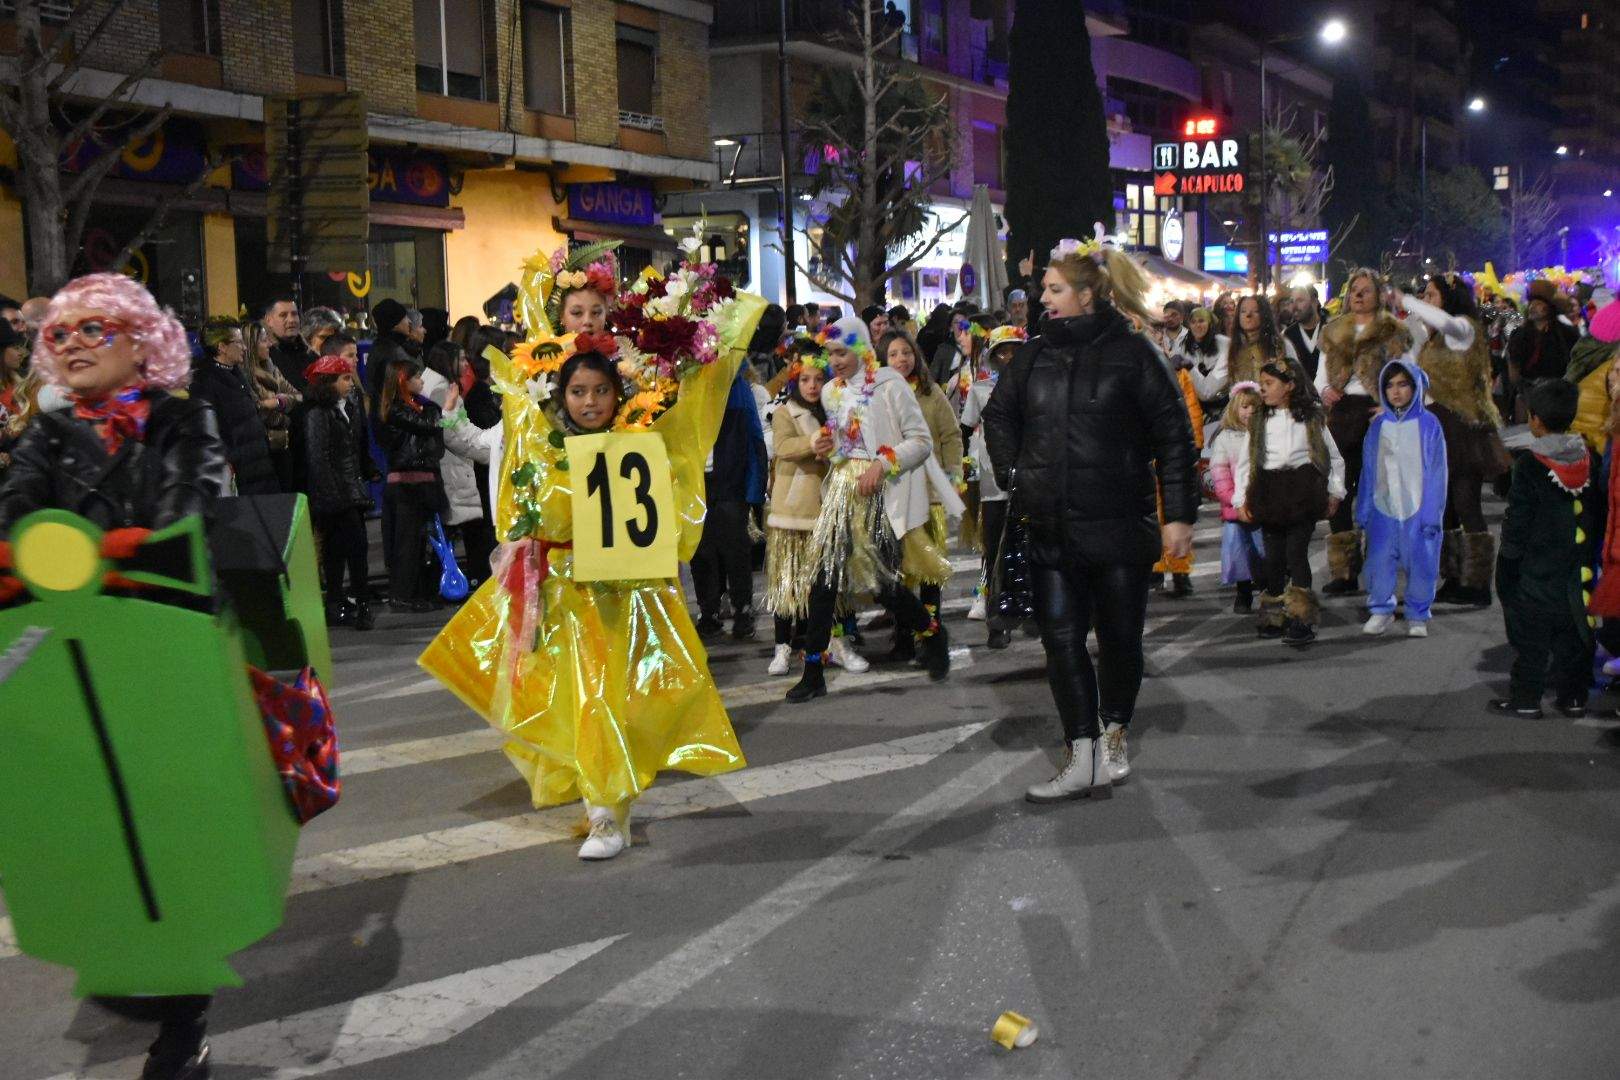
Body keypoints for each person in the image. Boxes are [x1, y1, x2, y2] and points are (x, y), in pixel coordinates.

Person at [0, 272, 230, 1080]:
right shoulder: (45, 434)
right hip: (68, 652)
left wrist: (103, 557)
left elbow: (184, 518)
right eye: (58, 335)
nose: (70, 346)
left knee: (173, 837)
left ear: (140, 341)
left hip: (161, 647)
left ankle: (183, 1026)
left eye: (93, 329)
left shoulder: (181, 418)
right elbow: (17, 516)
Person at [982, 232, 1197, 802]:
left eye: (1053, 288)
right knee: (1060, 639)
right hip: (1050, 527)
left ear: (1087, 294)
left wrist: (1178, 513)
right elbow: (998, 417)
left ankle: (1114, 730)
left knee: (1120, 638)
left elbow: (1175, 437)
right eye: (1043, 289)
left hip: (1121, 527)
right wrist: (1014, 474)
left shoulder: (1134, 353)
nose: (1042, 298)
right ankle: (1083, 753)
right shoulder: (1032, 354)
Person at [785, 317, 960, 703]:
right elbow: (844, 445)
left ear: (862, 349)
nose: (836, 361)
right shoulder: (831, 391)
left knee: (882, 585)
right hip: (843, 491)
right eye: (831, 353)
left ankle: (931, 631)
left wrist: (883, 465)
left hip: (881, 494)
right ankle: (813, 670)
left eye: (842, 352)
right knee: (823, 579)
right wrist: (828, 448)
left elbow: (921, 441)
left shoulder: (889, 385)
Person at [1492, 379, 1603, 719]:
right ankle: (1573, 697)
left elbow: (1518, 521)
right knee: (1574, 632)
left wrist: (1507, 564)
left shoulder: (1529, 466)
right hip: (1576, 565)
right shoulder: (1590, 458)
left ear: (1536, 420)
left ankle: (1526, 698)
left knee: (1532, 638)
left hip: (1536, 569)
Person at [1399, 274, 1504, 609]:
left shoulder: (1463, 328)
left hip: (1461, 428)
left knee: (1466, 503)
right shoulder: (1433, 338)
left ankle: (1477, 583)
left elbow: (1442, 321)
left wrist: (1407, 301)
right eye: (1424, 295)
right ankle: (1453, 576)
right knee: (1442, 509)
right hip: (1435, 427)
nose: (1426, 301)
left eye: (1431, 295)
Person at [764, 354, 868, 675]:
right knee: (787, 585)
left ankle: (834, 644)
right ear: (795, 381)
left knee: (830, 589)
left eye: (818, 380)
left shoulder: (836, 411)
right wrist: (814, 441)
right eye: (805, 380)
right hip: (793, 513)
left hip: (828, 513)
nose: (812, 386)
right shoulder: (784, 413)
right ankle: (782, 648)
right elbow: (783, 447)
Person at [1233, 357, 1345, 647]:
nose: (1263, 389)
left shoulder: (1310, 417)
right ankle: (1274, 614)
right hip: (1269, 493)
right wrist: (1239, 498)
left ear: (1290, 386)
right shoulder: (1259, 420)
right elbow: (1246, 463)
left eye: (1269, 384)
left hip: (1301, 493)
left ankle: (1302, 617)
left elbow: (1333, 457)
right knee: (1274, 559)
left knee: (1296, 555)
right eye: (1261, 384)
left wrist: (1336, 491)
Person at [1315, 268, 1412, 596]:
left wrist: (1391, 405)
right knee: (1339, 493)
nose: (1358, 295)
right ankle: (1344, 573)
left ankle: (1381, 572)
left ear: (1378, 294)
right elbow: (1319, 374)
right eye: (1354, 289)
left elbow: (1407, 372)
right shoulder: (1333, 330)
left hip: (1377, 415)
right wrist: (1325, 388)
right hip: (1342, 415)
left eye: (1365, 290)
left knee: (1380, 497)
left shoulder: (1392, 331)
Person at [878, 327, 962, 661]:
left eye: (906, 352)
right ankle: (901, 636)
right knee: (897, 573)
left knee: (929, 572)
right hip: (893, 496)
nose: (901, 359)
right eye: (894, 354)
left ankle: (930, 636)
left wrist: (954, 473)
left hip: (928, 495)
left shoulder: (931, 393)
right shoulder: (876, 395)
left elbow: (951, 435)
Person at [1357, 359, 1448, 638]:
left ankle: (1418, 613)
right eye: (1390, 385)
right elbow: (1368, 469)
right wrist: (1363, 509)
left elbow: (1437, 471)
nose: (1396, 391)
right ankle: (1381, 609)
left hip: (1418, 507)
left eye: (1403, 384)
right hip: (1383, 507)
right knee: (1379, 559)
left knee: (1421, 560)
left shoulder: (1429, 424)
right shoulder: (1378, 425)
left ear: (1416, 387)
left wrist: (1432, 514)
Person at [294, 340, 377, 630]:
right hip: (333, 495)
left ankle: (351, 600)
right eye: (344, 378)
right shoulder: (317, 413)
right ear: (328, 382)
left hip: (349, 489)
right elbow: (319, 458)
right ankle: (344, 601)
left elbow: (354, 448)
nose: (350, 381)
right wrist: (332, 497)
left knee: (347, 548)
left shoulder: (350, 406)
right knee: (341, 549)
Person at [692, 366, 769, 640]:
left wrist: (754, 490)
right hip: (696, 484)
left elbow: (755, 439)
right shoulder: (684, 388)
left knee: (735, 550)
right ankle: (708, 612)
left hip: (731, 482)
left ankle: (742, 609)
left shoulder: (737, 389)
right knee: (701, 552)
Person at [962, 323, 1025, 645]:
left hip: (1030, 481)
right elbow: (964, 428)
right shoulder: (981, 390)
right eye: (1004, 351)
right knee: (994, 548)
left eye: (1015, 349)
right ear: (994, 356)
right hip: (993, 482)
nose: (1009, 356)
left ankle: (1030, 612)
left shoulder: (1035, 385)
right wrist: (964, 467)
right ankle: (995, 618)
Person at [376, 355, 446, 612]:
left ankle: (419, 591)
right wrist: (441, 408)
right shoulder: (395, 410)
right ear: (403, 381)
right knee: (406, 543)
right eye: (416, 377)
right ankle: (403, 594)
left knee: (421, 543)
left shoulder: (418, 407)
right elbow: (429, 425)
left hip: (423, 482)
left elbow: (441, 426)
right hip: (407, 485)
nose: (421, 381)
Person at [190, 317, 280, 495]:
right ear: (221, 346)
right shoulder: (205, 383)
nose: (245, 348)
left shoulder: (236, 374)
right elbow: (207, 433)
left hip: (257, 469)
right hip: (240, 476)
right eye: (239, 343)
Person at [1209, 382, 1265, 612]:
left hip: (1263, 507)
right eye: (1244, 407)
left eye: (1254, 407)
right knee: (1238, 551)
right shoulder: (1225, 439)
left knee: (1264, 551)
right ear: (1234, 409)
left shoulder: (1265, 435)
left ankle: (1268, 586)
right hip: (1235, 509)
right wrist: (1233, 498)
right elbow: (1219, 473)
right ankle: (1243, 592)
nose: (1249, 412)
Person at [1154, 356, 1204, 597]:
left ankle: (1180, 573)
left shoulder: (1176, 373)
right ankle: (1153, 570)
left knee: (1173, 514)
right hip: (1142, 457)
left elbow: (1190, 409)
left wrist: (1195, 444)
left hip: (1167, 454)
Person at [242, 320, 303, 491]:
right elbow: (258, 411)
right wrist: (283, 412)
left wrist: (278, 402)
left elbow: (298, 396)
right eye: (263, 340)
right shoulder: (244, 376)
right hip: (261, 452)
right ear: (251, 345)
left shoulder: (272, 369)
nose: (269, 343)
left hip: (282, 447)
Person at [1507, 281, 1579, 409]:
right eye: (1531, 303)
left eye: (1538, 304)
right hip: (1529, 392)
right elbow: (1514, 367)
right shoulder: (1519, 335)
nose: (1532, 307)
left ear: (1549, 309)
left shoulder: (1567, 333)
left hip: (1558, 393)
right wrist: (1523, 389)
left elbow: (1575, 363)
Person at [1184, 305, 1231, 426]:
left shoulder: (1224, 344)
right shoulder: (1186, 346)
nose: (1197, 325)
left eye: (1201, 321)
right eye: (1193, 322)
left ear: (1210, 323)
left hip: (1223, 410)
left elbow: (1207, 392)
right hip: (1196, 412)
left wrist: (1190, 368)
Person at [363, 298, 412, 404]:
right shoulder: (393, 351)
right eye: (405, 318)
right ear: (395, 324)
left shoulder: (381, 346)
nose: (409, 321)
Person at [261, 294, 306, 388]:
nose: (291, 320)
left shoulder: (309, 353)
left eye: (294, 314)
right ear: (269, 320)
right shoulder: (264, 357)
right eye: (283, 315)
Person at [1283, 285, 1325, 382]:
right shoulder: (1288, 335)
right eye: (1291, 302)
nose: (1294, 307)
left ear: (1314, 302)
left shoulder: (1331, 328)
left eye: (1300, 301)